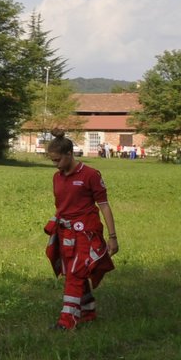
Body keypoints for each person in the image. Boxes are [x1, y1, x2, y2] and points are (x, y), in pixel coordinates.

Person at [44, 134, 119, 330]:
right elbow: (61, 206)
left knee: (76, 272)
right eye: (53, 161)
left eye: (58, 160)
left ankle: (66, 321)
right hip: (65, 233)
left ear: (70, 154)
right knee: (71, 271)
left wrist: (112, 237)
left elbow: (104, 206)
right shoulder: (56, 178)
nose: (56, 165)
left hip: (86, 233)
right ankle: (88, 311)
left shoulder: (91, 175)